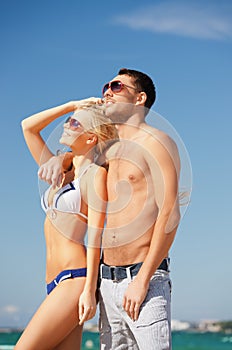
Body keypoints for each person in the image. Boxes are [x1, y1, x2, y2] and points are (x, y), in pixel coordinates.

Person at [39, 68, 181, 350]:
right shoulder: (106, 149)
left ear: (139, 98)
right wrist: (62, 157)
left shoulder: (157, 142)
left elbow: (170, 214)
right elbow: (78, 152)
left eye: (116, 86)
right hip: (106, 282)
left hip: (144, 279)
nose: (107, 91)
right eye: (106, 86)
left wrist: (141, 281)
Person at [15, 99, 118, 350]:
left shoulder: (95, 174)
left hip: (74, 280)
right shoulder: (61, 172)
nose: (66, 124)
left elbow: (95, 235)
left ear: (91, 138)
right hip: (54, 282)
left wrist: (89, 290)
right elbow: (28, 127)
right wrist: (72, 106)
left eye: (74, 122)